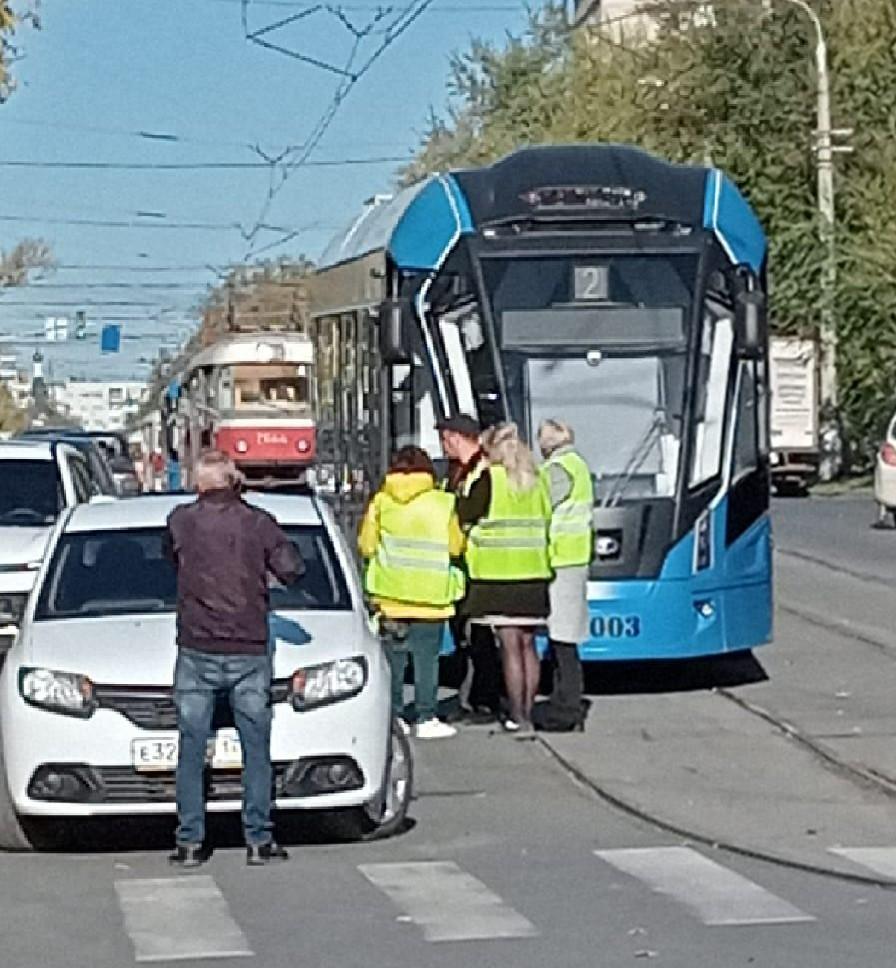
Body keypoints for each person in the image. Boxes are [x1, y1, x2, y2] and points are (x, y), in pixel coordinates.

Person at [164, 449, 303, 868]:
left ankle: (189, 842)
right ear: (235, 482)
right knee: (254, 748)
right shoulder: (257, 524)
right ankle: (258, 840)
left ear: (198, 484)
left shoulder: (180, 521)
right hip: (248, 648)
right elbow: (293, 569)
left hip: (196, 647)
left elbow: (170, 557)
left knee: (191, 746)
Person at [359, 446, 465, 739]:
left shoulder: (381, 501)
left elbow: (367, 545)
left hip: (391, 598)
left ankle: (394, 717)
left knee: (394, 660)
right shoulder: (443, 503)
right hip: (431, 597)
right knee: (427, 660)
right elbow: (456, 546)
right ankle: (426, 716)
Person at [462, 422, 551, 733]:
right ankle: (527, 711)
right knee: (528, 646)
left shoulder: (491, 480)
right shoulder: (537, 482)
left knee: (510, 646)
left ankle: (517, 715)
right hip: (534, 576)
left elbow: (465, 512)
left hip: (498, 578)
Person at [437, 414, 504, 723]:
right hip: (462, 564)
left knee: (481, 637)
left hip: (480, 565)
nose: (442, 445)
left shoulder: (483, 470)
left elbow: (472, 510)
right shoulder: (458, 471)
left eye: (445, 438)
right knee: (468, 636)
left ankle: (485, 700)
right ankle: (473, 697)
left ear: (457, 437)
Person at [536, 419, 594, 731]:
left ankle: (567, 707)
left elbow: (541, 508)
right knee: (564, 637)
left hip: (561, 559)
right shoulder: (578, 465)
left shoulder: (557, 469)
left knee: (563, 638)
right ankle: (566, 701)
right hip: (574, 557)